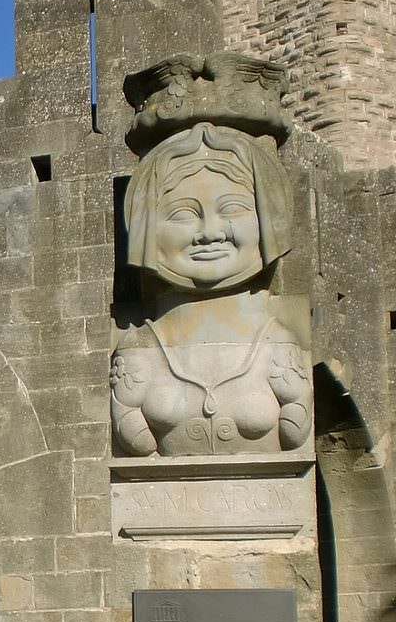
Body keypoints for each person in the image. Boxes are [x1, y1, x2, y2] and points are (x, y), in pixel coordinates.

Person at [109, 116, 312, 457]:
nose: (210, 232)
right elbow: (133, 432)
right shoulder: (137, 346)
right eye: (183, 213)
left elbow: (295, 431)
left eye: (232, 209)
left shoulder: (277, 341)